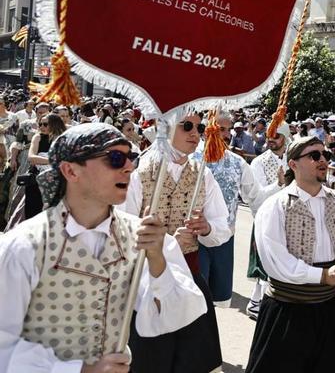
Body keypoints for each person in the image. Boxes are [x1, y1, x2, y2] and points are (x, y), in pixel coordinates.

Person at [0, 123, 207, 372]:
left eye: (131, 157)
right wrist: (80, 369)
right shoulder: (24, 246)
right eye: (115, 158)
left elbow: (178, 316)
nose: (129, 167)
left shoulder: (141, 238)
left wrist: (157, 261)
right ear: (71, 171)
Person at [245, 136, 335, 372]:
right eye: (314, 156)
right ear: (293, 164)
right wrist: (321, 276)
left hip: (330, 308)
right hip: (289, 309)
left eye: (326, 155)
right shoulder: (275, 206)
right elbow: (275, 261)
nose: (323, 160)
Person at [118, 114, 231, 373]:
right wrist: (168, 243)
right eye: (187, 126)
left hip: (188, 276)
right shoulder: (139, 172)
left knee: (191, 359)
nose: (195, 133)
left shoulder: (203, 174)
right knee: (150, 358)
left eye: (200, 128)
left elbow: (222, 227)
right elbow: (121, 230)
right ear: (165, 128)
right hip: (144, 281)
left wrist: (207, 227)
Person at [191, 111, 266, 308]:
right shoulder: (191, 158)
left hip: (224, 238)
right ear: (208, 130)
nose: (226, 135)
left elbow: (255, 196)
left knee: (214, 300)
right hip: (192, 238)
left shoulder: (237, 162)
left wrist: (261, 229)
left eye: (228, 130)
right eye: (221, 129)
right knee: (195, 297)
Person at [246, 127, 290, 319]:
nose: (271, 139)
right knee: (265, 263)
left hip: (291, 218)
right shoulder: (258, 162)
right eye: (269, 136)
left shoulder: (295, 157)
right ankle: (258, 303)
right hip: (268, 218)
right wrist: (278, 185)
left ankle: (260, 303)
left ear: (286, 137)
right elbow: (255, 197)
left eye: (276, 136)